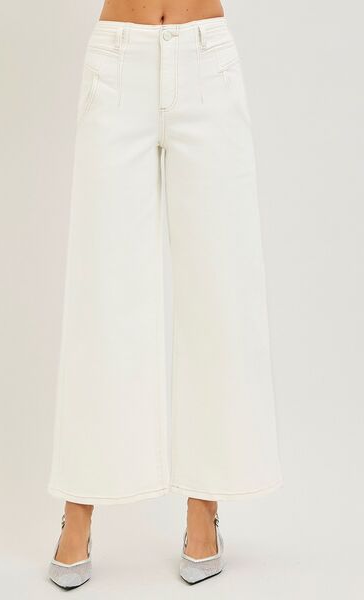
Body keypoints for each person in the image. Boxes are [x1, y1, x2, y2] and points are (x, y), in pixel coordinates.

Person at [47, 0, 282, 589]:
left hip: (206, 62)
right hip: (117, 63)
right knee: (101, 297)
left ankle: (204, 509)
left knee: (219, 294)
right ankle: (78, 510)